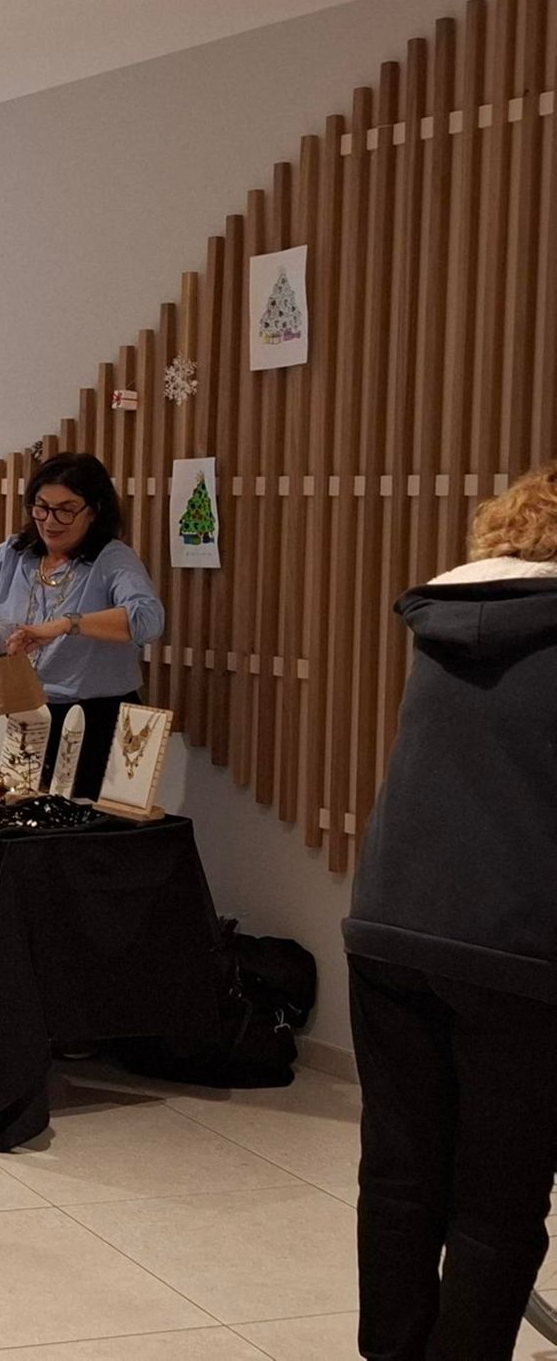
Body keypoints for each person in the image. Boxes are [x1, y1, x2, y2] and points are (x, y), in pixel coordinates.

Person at [344, 461, 557, 1361]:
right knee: (498, 1196)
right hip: (518, 945)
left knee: (401, 1173)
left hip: (390, 923)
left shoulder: (444, 623)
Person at [0, 451, 164, 799]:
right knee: (22, 811)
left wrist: (66, 624)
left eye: (66, 510)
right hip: (28, 715)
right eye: (42, 507)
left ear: (94, 510)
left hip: (98, 718)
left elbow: (148, 619)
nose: (51, 521)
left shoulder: (112, 558)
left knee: (84, 823)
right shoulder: (15, 554)